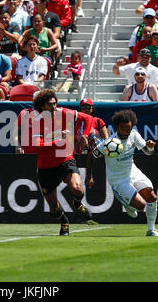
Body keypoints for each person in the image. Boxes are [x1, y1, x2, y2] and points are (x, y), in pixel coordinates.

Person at [30, 89, 95, 236]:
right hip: (46, 166)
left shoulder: (64, 112)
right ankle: (64, 222)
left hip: (65, 159)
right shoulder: (37, 121)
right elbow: (36, 145)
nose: (54, 107)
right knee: (53, 207)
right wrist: (56, 140)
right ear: (42, 106)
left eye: (55, 103)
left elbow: (88, 119)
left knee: (77, 189)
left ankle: (77, 203)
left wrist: (84, 135)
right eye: (49, 105)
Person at [91, 109, 158, 237]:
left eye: (128, 128)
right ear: (117, 127)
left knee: (151, 197)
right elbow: (92, 156)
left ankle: (151, 230)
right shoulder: (108, 143)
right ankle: (125, 202)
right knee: (140, 206)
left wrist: (150, 147)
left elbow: (148, 152)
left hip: (133, 172)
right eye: (123, 127)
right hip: (118, 179)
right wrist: (88, 175)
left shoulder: (134, 135)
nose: (126, 130)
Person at [76, 98, 109, 189]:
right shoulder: (76, 122)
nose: (86, 109)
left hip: (97, 158)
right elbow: (73, 141)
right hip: (81, 158)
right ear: (80, 109)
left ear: (92, 108)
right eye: (83, 107)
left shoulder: (98, 121)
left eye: (88, 106)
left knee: (97, 187)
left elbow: (107, 140)